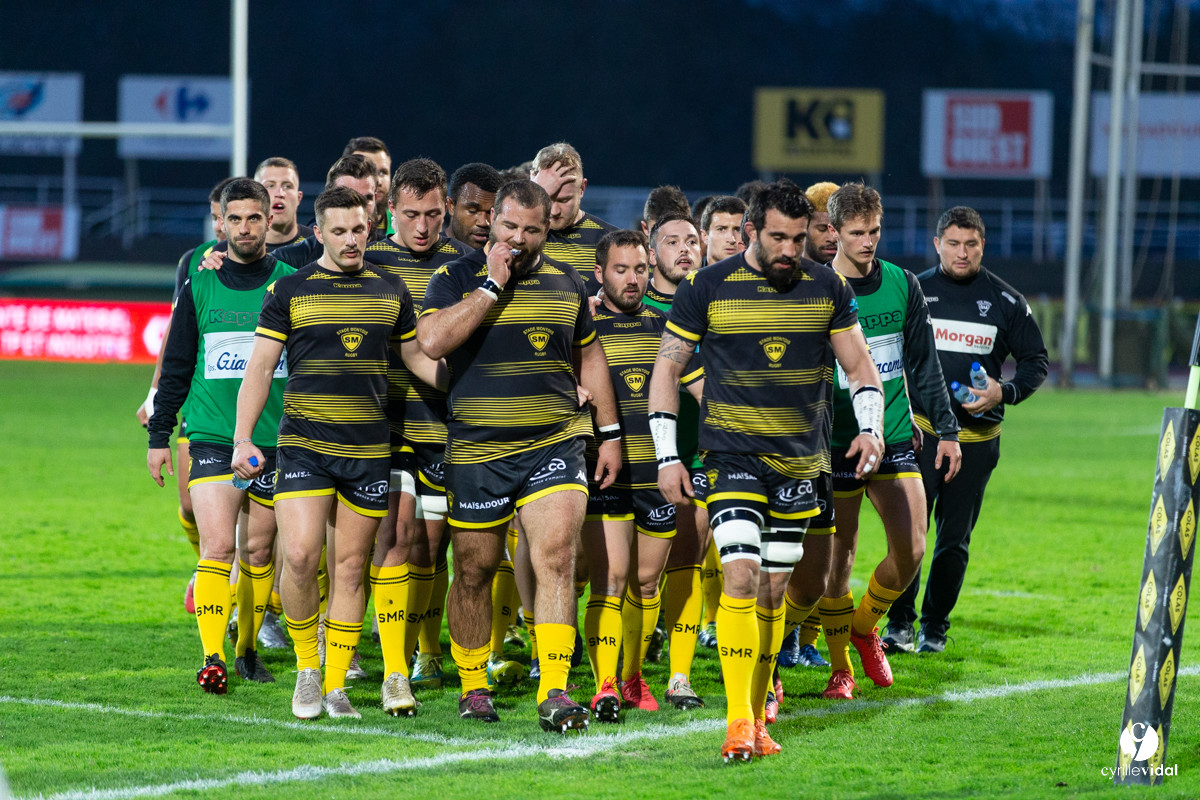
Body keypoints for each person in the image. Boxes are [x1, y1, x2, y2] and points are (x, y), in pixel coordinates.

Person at [650, 179, 884, 762]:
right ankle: (735, 724)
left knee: (775, 593)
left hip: (801, 462)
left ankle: (756, 718)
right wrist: (666, 454)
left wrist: (872, 427)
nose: (789, 250)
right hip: (730, 457)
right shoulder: (706, 287)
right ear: (751, 231)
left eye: (798, 239)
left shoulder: (827, 286)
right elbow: (665, 370)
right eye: (777, 237)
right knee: (740, 576)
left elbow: (860, 368)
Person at [231, 186, 444, 720]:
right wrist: (242, 437)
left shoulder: (390, 290)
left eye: (360, 228)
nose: (352, 239)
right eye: (340, 230)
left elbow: (419, 358)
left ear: (371, 226)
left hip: (370, 450)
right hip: (303, 445)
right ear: (318, 232)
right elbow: (259, 369)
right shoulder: (291, 290)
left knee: (351, 570)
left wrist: (478, 384)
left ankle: (335, 684)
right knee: (301, 555)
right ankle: (308, 668)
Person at [417, 179, 621, 733]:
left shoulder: (567, 282)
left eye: (534, 229)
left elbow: (591, 356)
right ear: (492, 224)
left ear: (547, 229)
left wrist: (610, 431)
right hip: (479, 450)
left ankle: (554, 686)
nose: (521, 239)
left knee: (556, 556)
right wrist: (489, 287)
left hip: (553, 441)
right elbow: (432, 342)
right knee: (476, 570)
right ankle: (472, 684)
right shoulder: (454, 277)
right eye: (511, 227)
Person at [805, 183, 961, 701]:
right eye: (856, 233)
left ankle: (865, 623)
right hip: (837, 442)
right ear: (834, 233)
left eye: (874, 231)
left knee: (913, 547)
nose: (868, 241)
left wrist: (947, 430)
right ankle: (841, 668)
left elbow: (924, 362)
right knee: (838, 557)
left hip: (892, 433)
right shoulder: (819, 288)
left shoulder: (902, 284)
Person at [146, 178, 295, 693]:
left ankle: (248, 649)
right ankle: (212, 656)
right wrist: (159, 436)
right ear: (222, 223)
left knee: (258, 553)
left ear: (268, 220)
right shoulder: (199, 281)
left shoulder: (290, 282)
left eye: (255, 218)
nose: (246, 227)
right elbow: (178, 362)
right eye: (236, 219)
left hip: (274, 438)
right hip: (211, 433)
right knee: (216, 548)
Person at [885, 206, 1048, 653]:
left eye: (971, 244)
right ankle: (898, 626)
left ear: (983, 246)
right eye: (953, 243)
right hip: (922, 435)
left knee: (953, 541)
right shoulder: (913, 291)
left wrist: (1004, 391)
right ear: (937, 244)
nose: (962, 252)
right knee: (910, 536)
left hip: (978, 442)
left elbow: (1036, 361)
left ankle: (934, 629)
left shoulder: (1006, 301)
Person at [363, 158, 473, 712]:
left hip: (449, 422)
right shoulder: (369, 257)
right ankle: (397, 664)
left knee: (445, 549)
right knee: (397, 540)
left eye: (433, 214)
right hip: (387, 426)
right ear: (390, 211)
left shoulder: (463, 263)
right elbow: (295, 269)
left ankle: (433, 651)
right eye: (411, 215)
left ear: (446, 210)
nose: (424, 227)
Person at [582, 228, 705, 722]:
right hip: (605, 473)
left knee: (647, 582)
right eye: (620, 270)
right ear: (599, 274)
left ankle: (633, 675)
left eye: (638, 269)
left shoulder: (666, 327)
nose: (632, 280)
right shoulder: (581, 327)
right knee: (609, 580)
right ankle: (605, 683)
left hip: (658, 474)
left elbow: (700, 387)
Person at [137, 177, 236, 617]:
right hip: (201, 406)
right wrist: (155, 396)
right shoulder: (194, 264)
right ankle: (207, 568)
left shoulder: (279, 267)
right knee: (188, 506)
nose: (222, 225)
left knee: (257, 540)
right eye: (218, 217)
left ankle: (248, 611)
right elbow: (177, 340)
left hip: (259, 417)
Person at [636, 214, 711, 704]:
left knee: (689, 553)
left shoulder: (716, 304)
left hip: (699, 455)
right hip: (637, 459)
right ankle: (628, 668)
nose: (684, 250)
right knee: (634, 575)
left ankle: (679, 676)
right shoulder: (627, 304)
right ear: (651, 248)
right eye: (672, 242)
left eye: (692, 241)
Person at [529, 142, 616, 290]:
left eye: (564, 200)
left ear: (582, 188)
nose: (554, 211)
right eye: (547, 198)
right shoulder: (520, 236)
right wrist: (531, 190)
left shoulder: (612, 241)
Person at [446, 162, 503, 249]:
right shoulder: (424, 254)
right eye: (473, 210)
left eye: (491, 212)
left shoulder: (506, 258)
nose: (484, 222)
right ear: (451, 206)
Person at [344, 136, 392, 239]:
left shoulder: (405, 230)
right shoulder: (321, 232)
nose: (377, 181)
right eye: (366, 171)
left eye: (382, 172)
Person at [699, 195, 746, 267]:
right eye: (721, 229)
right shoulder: (690, 277)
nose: (731, 239)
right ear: (705, 236)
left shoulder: (761, 277)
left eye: (738, 230)